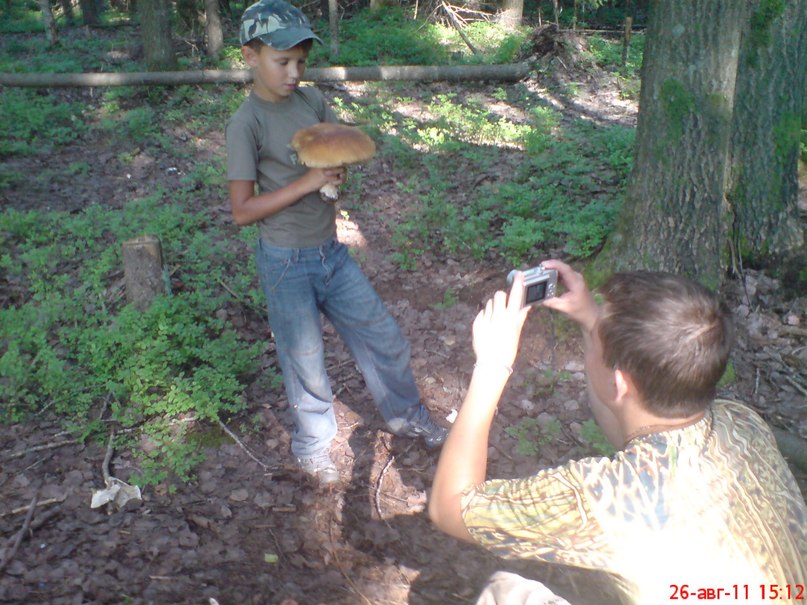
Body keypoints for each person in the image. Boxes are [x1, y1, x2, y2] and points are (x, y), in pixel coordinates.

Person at [429, 260, 807, 605]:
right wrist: (592, 322)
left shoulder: (605, 499)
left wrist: (492, 366)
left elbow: (449, 509)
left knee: (506, 594)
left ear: (620, 382)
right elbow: (631, 430)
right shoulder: (741, 422)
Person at [225, 0, 447, 485]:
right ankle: (312, 445)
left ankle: (407, 416)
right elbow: (242, 210)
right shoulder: (247, 122)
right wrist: (306, 184)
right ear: (250, 56)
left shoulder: (311, 103)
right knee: (305, 361)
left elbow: (333, 149)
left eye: (301, 62)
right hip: (285, 260)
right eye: (282, 61)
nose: (294, 73)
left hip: (330, 252)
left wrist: (335, 174)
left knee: (383, 336)